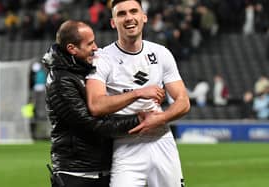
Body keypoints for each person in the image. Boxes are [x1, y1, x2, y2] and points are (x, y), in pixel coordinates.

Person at [42, 20, 165, 187]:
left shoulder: (84, 69)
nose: (96, 47)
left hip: (101, 170)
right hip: (77, 174)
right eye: (90, 43)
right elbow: (91, 124)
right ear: (72, 49)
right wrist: (139, 119)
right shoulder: (60, 81)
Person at [86, 1, 190, 187]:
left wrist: (160, 119)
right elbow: (96, 106)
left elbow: (183, 102)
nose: (129, 18)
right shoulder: (101, 58)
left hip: (161, 140)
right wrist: (138, 93)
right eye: (122, 14)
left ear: (144, 17)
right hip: (125, 143)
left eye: (134, 11)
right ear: (113, 22)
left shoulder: (161, 53)